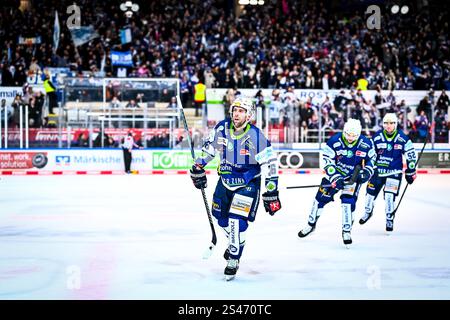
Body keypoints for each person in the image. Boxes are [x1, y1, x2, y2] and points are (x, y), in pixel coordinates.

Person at [189, 98, 282, 280]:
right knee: (221, 219)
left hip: (247, 183)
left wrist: (271, 191)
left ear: (249, 115)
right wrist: (198, 166)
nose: (236, 114)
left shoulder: (256, 136)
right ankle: (238, 241)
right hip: (224, 181)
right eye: (234, 110)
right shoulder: (222, 128)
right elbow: (209, 151)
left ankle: (233, 257)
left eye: (241, 111)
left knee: (235, 220)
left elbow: (270, 163)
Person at [298, 118, 376, 246]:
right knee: (319, 199)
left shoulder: (366, 143)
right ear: (344, 131)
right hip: (335, 175)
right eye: (348, 134)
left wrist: (367, 171)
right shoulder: (334, 141)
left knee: (348, 202)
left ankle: (347, 230)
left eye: (354, 135)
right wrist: (335, 177)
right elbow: (327, 161)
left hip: (352, 178)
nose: (351, 138)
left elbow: (372, 159)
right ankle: (311, 224)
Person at [359, 113, 418, 232]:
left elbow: (411, 156)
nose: (389, 125)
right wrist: (365, 167)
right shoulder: (376, 137)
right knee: (370, 194)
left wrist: (410, 171)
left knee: (389, 197)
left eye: (391, 123)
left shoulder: (403, 138)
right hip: (378, 172)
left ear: (396, 124)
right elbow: (369, 154)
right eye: (386, 123)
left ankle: (389, 218)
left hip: (394, 172)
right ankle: (368, 211)